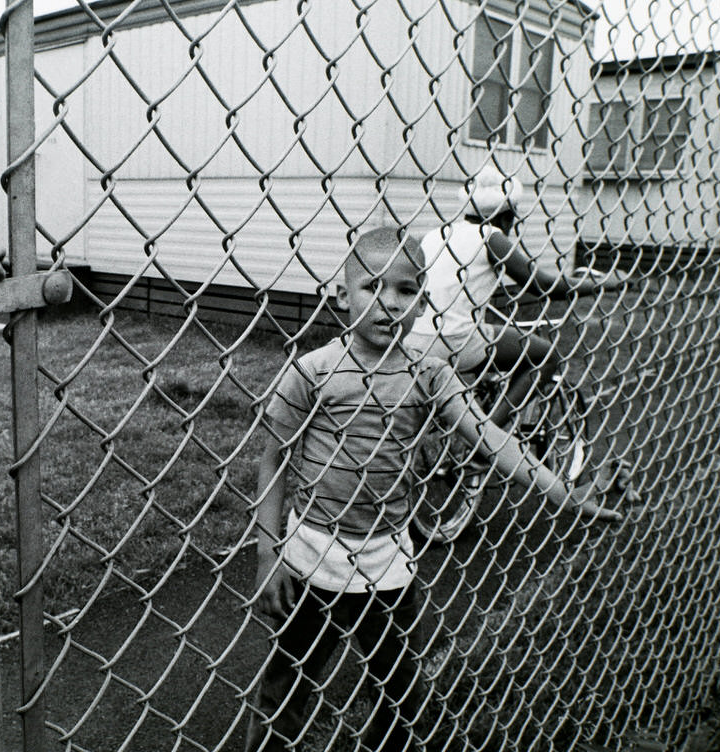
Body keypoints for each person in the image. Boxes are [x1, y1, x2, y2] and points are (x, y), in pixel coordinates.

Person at [245, 226, 626, 752]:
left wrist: (561, 490)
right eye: (371, 287)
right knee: (285, 688)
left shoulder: (431, 374)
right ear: (340, 295)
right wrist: (269, 554)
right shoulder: (311, 374)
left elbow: (493, 438)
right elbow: (274, 462)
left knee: (399, 691)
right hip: (312, 561)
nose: (388, 304)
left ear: (422, 300)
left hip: (389, 567)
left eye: (405, 291)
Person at [403, 167, 626, 426]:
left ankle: (473, 408)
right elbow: (542, 285)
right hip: (453, 339)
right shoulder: (491, 236)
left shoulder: (437, 233)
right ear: (507, 216)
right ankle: (487, 435)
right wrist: (604, 283)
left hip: (414, 335)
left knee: (493, 338)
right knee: (545, 356)